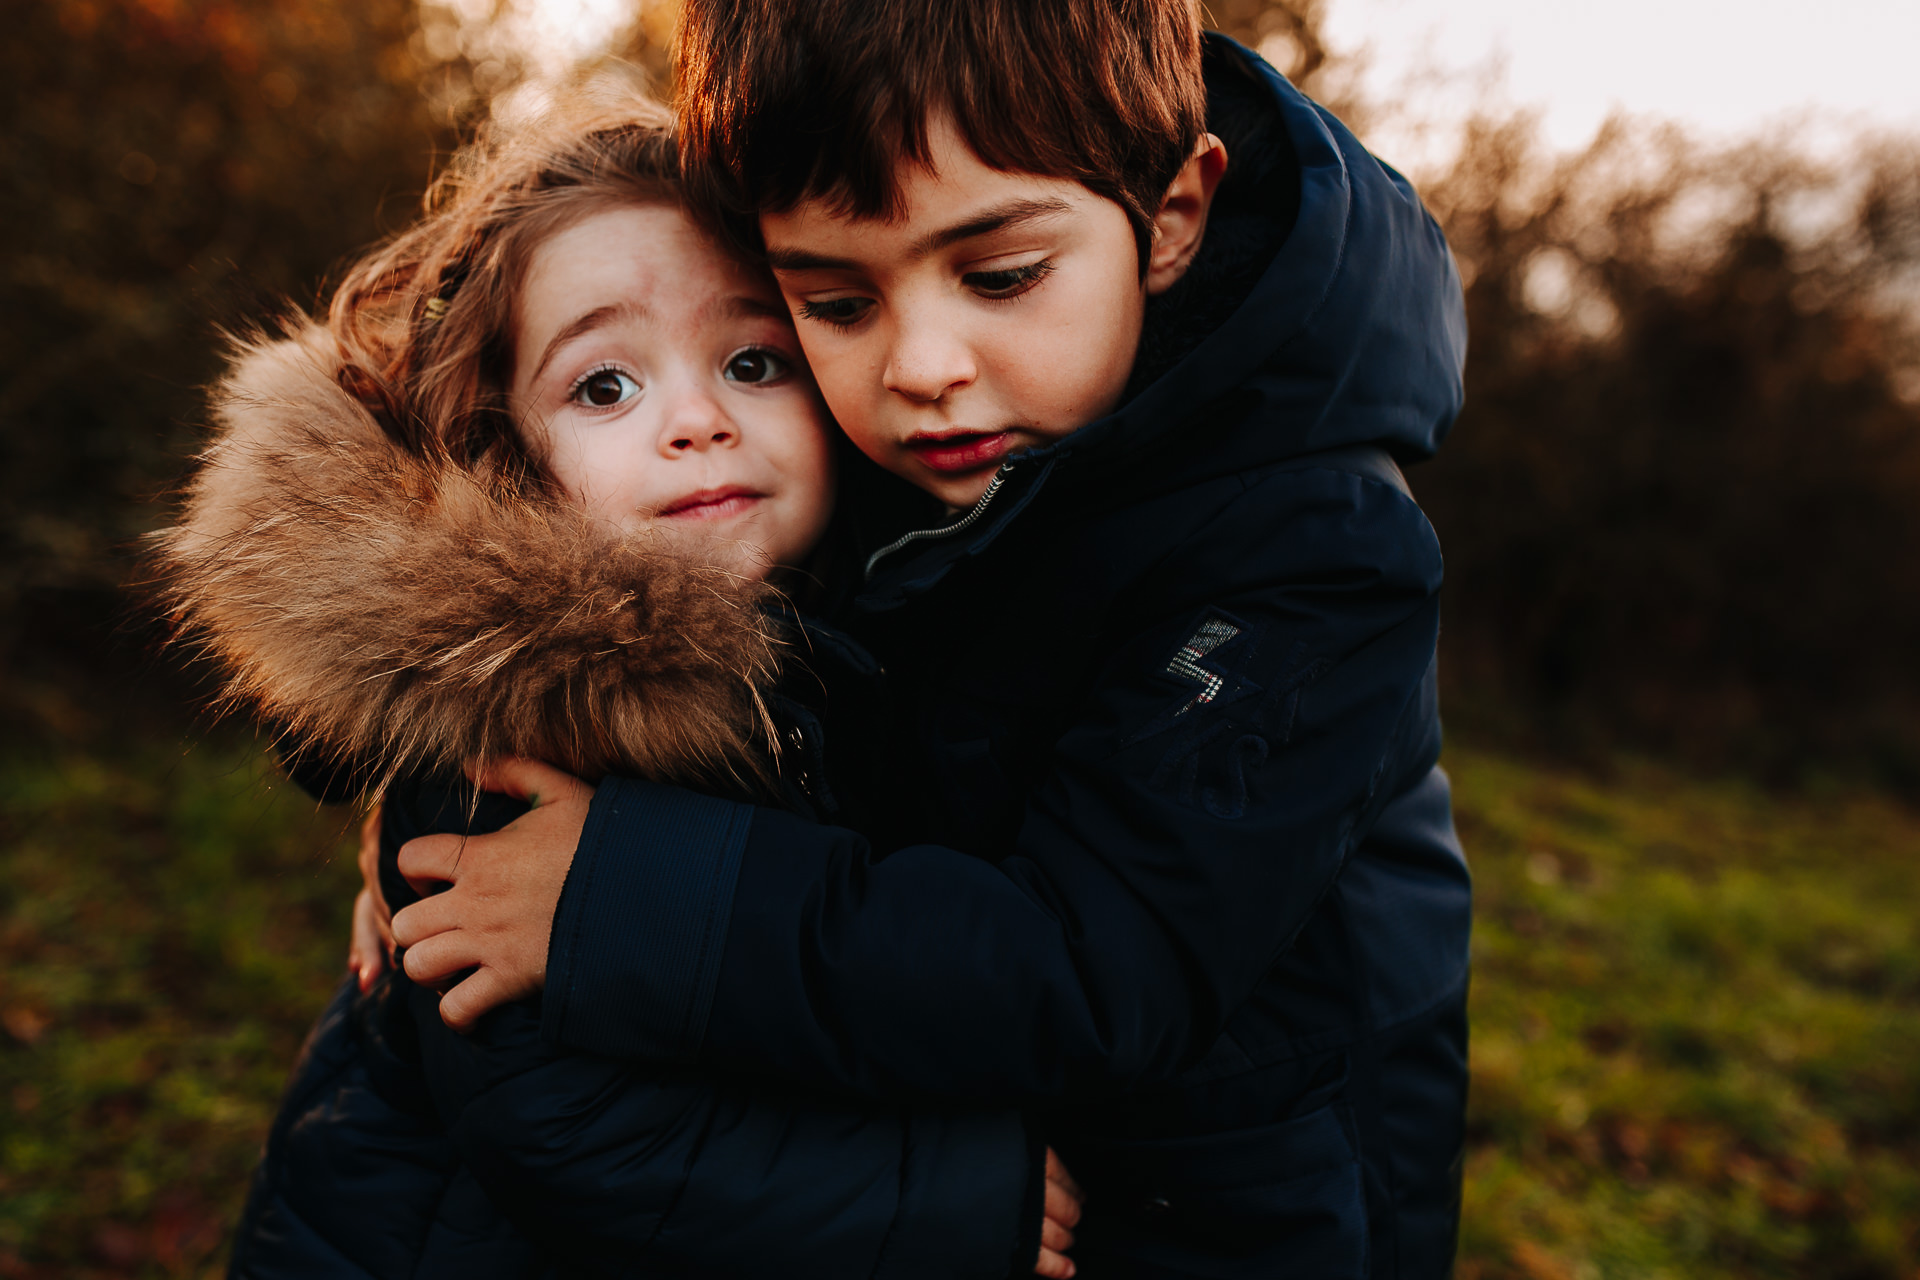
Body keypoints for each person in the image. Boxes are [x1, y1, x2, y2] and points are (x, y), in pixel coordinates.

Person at [390, 2, 1475, 1274]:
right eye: (837, 302)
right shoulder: (922, 455)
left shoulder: (1314, 552)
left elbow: (1091, 967)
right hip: (967, 1163)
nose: (923, 363)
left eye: (1001, 274)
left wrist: (623, 898)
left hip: (1224, 1210)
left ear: (1173, 215)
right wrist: (437, 813)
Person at [153, 94, 1084, 1279]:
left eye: (753, 361)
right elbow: (570, 1131)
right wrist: (948, 1197)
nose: (698, 420)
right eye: (605, 387)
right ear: (504, 450)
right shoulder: (511, 737)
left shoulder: (860, 617)